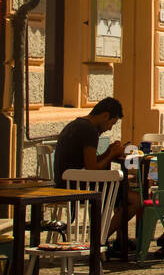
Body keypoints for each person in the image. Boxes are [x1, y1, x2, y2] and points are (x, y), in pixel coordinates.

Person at [53, 98, 140, 241]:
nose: (110, 128)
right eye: (112, 123)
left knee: (120, 194)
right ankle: (99, 240)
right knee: (134, 200)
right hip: (77, 186)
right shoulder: (89, 130)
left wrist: (107, 153)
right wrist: (112, 154)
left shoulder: (77, 124)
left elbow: (90, 162)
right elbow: (92, 169)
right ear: (105, 116)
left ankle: (115, 239)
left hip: (66, 182)